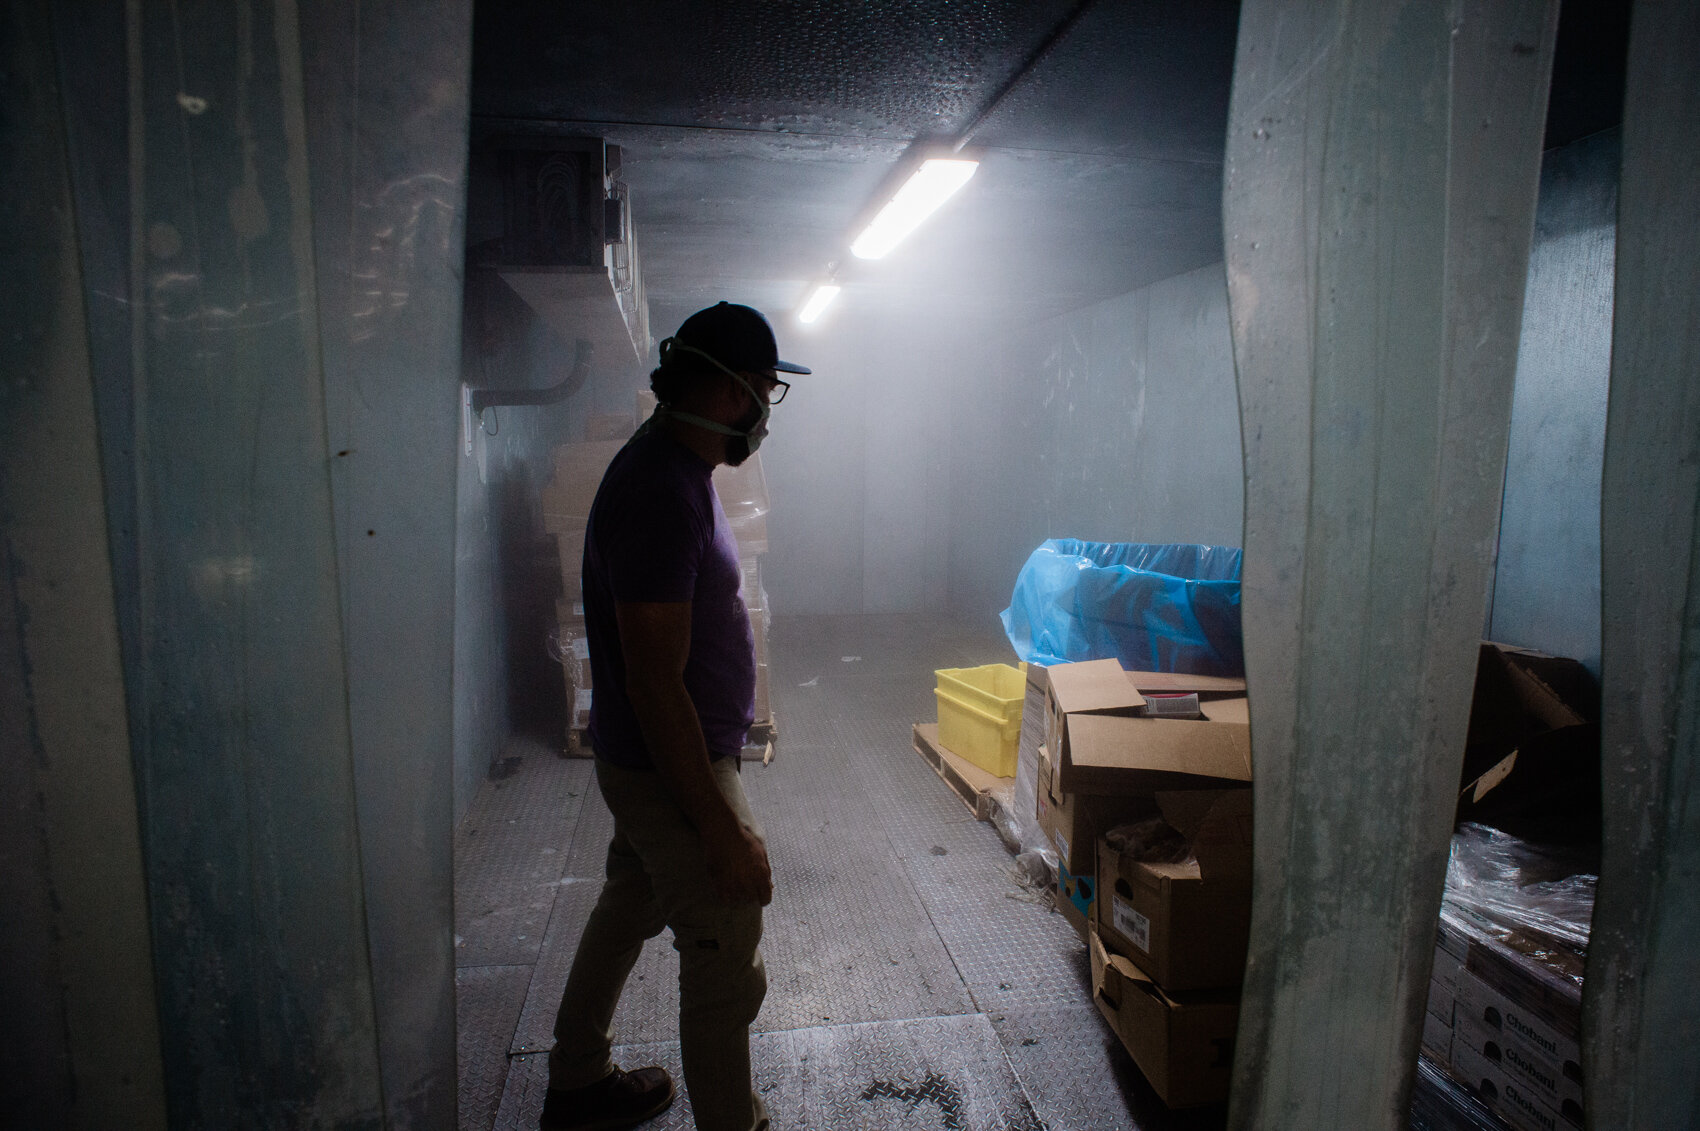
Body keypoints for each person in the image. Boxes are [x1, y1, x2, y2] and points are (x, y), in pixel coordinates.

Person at [539, 302, 809, 1131]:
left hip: (660, 752)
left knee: (630, 902)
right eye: (765, 389)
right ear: (730, 391)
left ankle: (579, 1079)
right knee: (726, 940)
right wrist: (720, 827)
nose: (767, 411)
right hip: (670, 761)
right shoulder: (661, 491)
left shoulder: (677, 471)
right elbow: (656, 682)